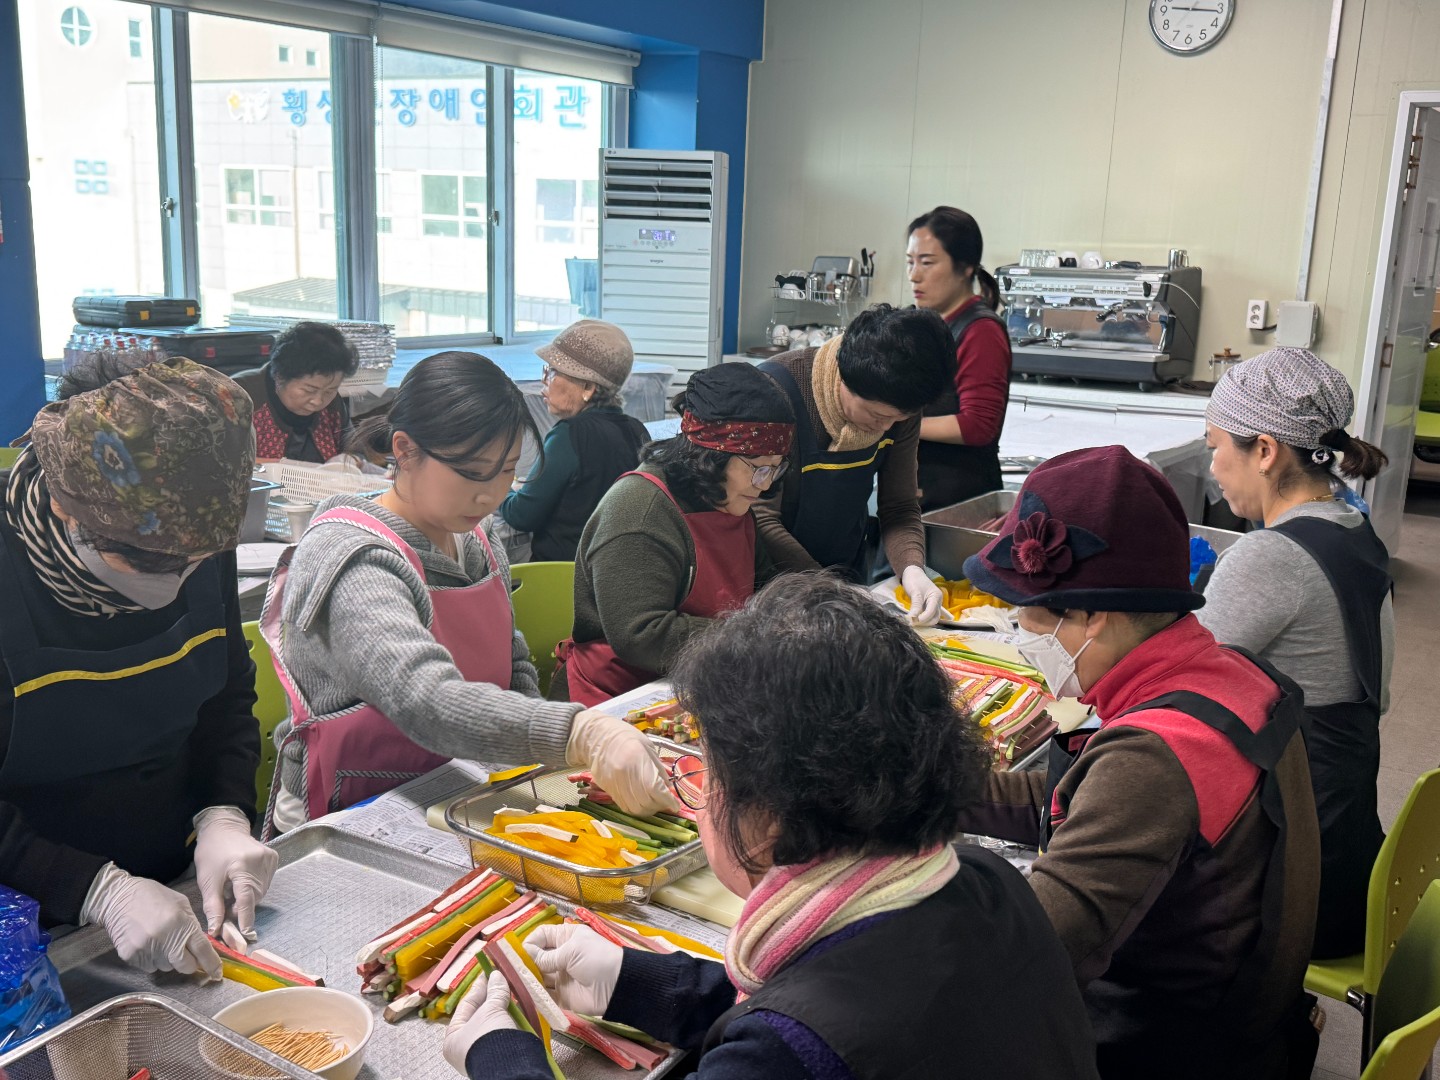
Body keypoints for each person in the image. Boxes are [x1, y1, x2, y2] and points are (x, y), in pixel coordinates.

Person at [442, 574, 1100, 1080]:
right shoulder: (987, 880)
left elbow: (804, 1037)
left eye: (709, 775)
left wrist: (502, 1058)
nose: (702, 796)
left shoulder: (790, 1053)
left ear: (769, 818)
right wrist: (630, 981)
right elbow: (828, 1004)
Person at [958, 445, 1322, 1079]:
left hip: (1168, 1053)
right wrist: (927, 792)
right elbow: (1080, 802)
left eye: (1026, 618)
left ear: (1092, 617)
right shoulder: (1234, 676)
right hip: (1248, 1022)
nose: (1019, 635)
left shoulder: (1154, 756)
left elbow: (1029, 952)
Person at [261, 351, 673, 837]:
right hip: (349, 806)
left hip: (455, 783)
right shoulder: (353, 555)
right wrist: (578, 733)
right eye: (473, 472)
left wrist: (538, 771)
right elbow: (422, 698)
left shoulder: (476, 538)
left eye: (507, 471)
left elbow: (511, 662)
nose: (490, 495)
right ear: (405, 449)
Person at [0, 354, 275, 981]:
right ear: (68, 507)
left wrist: (225, 810)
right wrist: (94, 889)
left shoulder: (195, 531)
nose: (173, 584)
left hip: (172, 886)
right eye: (143, 562)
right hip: (23, 928)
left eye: (194, 561)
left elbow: (225, 695)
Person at [1197, 346, 1393, 960]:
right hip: (1348, 855)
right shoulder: (1353, 530)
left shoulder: (1270, 556)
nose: (1211, 465)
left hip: (1294, 880)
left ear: (1264, 450)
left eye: (1214, 445)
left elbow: (1172, 682)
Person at [551, 363, 795, 707]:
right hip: (617, 695)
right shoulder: (639, 511)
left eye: (776, 467)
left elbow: (764, 588)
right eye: (758, 468)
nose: (766, 484)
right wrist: (754, 634)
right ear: (711, 456)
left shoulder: (730, 500)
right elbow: (641, 636)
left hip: (699, 678)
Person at [753, 304, 950, 622]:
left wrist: (912, 569)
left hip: (846, 573)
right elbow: (759, 518)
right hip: (770, 583)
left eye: (900, 418)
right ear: (843, 379)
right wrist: (829, 590)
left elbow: (899, 506)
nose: (886, 427)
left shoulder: (900, 404)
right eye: (876, 414)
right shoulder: (775, 392)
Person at [497, 320, 648, 562]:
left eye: (553, 372)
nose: (545, 380)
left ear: (587, 388)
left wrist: (499, 483)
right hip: (614, 571)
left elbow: (521, 515)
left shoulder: (570, 435)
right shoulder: (636, 430)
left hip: (561, 574)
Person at [907, 206, 1013, 510]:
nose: (914, 275)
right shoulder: (927, 323)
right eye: (910, 262)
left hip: (959, 501)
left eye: (927, 262)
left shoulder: (981, 331)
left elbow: (978, 425)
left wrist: (897, 425)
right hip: (922, 494)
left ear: (965, 267)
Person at [234, 321, 358, 463]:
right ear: (280, 376)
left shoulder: (333, 405)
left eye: (329, 391)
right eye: (309, 390)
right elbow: (224, 462)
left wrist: (351, 460)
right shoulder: (237, 396)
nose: (318, 401)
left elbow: (356, 451)